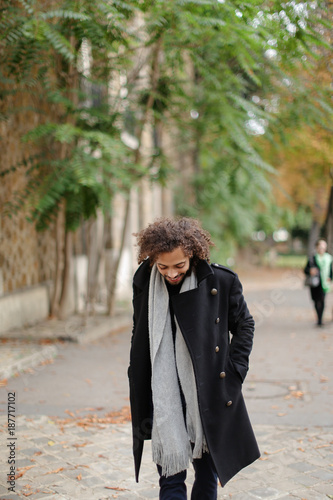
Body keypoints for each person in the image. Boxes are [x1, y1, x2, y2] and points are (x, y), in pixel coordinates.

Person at [128, 217, 260, 500]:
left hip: (207, 389)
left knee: (206, 471)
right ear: (152, 260)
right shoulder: (143, 281)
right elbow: (138, 329)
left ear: (193, 255)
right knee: (170, 477)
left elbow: (244, 325)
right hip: (164, 394)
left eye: (179, 266)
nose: (172, 273)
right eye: (163, 266)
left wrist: (235, 371)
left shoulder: (221, 281)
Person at [304, 238, 333, 327]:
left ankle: (320, 319)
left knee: (322, 300)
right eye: (320, 247)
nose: (322, 250)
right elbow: (305, 270)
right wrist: (310, 271)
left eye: (323, 248)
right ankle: (318, 317)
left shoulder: (329, 258)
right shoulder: (312, 258)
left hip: (324, 283)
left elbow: (331, 271)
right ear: (317, 248)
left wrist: (330, 278)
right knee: (316, 301)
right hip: (314, 283)